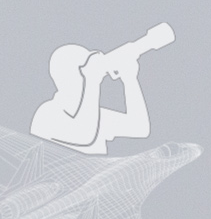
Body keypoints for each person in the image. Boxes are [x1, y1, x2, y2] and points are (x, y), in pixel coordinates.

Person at [29, 23, 175, 154]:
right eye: (85, 67)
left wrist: (130, 80)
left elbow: (140, 128)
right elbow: (84, 135)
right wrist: (92, 81)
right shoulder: (47, 114)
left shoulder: (95, 115)